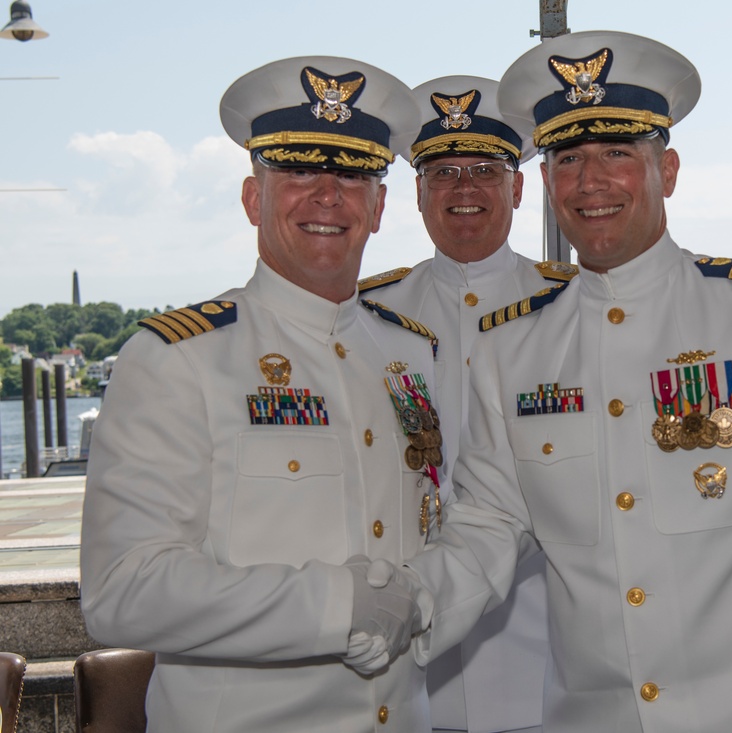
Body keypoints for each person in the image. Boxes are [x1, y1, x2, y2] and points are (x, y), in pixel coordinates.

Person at [371, 31, 732, 732]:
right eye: (568, 158)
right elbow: (485, 528)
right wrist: (405, 605)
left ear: (670, 169)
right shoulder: (515, 348)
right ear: (544, 182)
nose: (590, 181)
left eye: (617, 154)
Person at [80, 56, 441, 732]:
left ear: (381, 205)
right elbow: (121, 590)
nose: (328, 195)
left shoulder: (411, 354)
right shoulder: (178, 358)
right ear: (254, 198)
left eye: (354, 174)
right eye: (300, 170)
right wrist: (338, 605)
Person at [360, 76, 574, 733]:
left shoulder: (582, 309)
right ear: (417, 194)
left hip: (555, 648)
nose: (464, 189)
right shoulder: (363, 315)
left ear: (516, 187)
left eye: (485, 169)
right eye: (443, 171)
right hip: (402, 656)